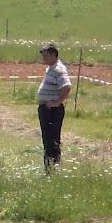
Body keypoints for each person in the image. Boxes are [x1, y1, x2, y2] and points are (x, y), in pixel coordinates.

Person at [36, 44, 72, 172]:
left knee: (52, 139)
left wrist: (57, 102)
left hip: (52, 111)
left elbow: (66, 87)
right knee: (47, 139)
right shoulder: (51, 68)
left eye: (45, 56)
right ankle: (48, 167)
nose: (43, 58)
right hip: (46, 109)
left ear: (53, 55)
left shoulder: (59, 69)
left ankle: (53, 167)